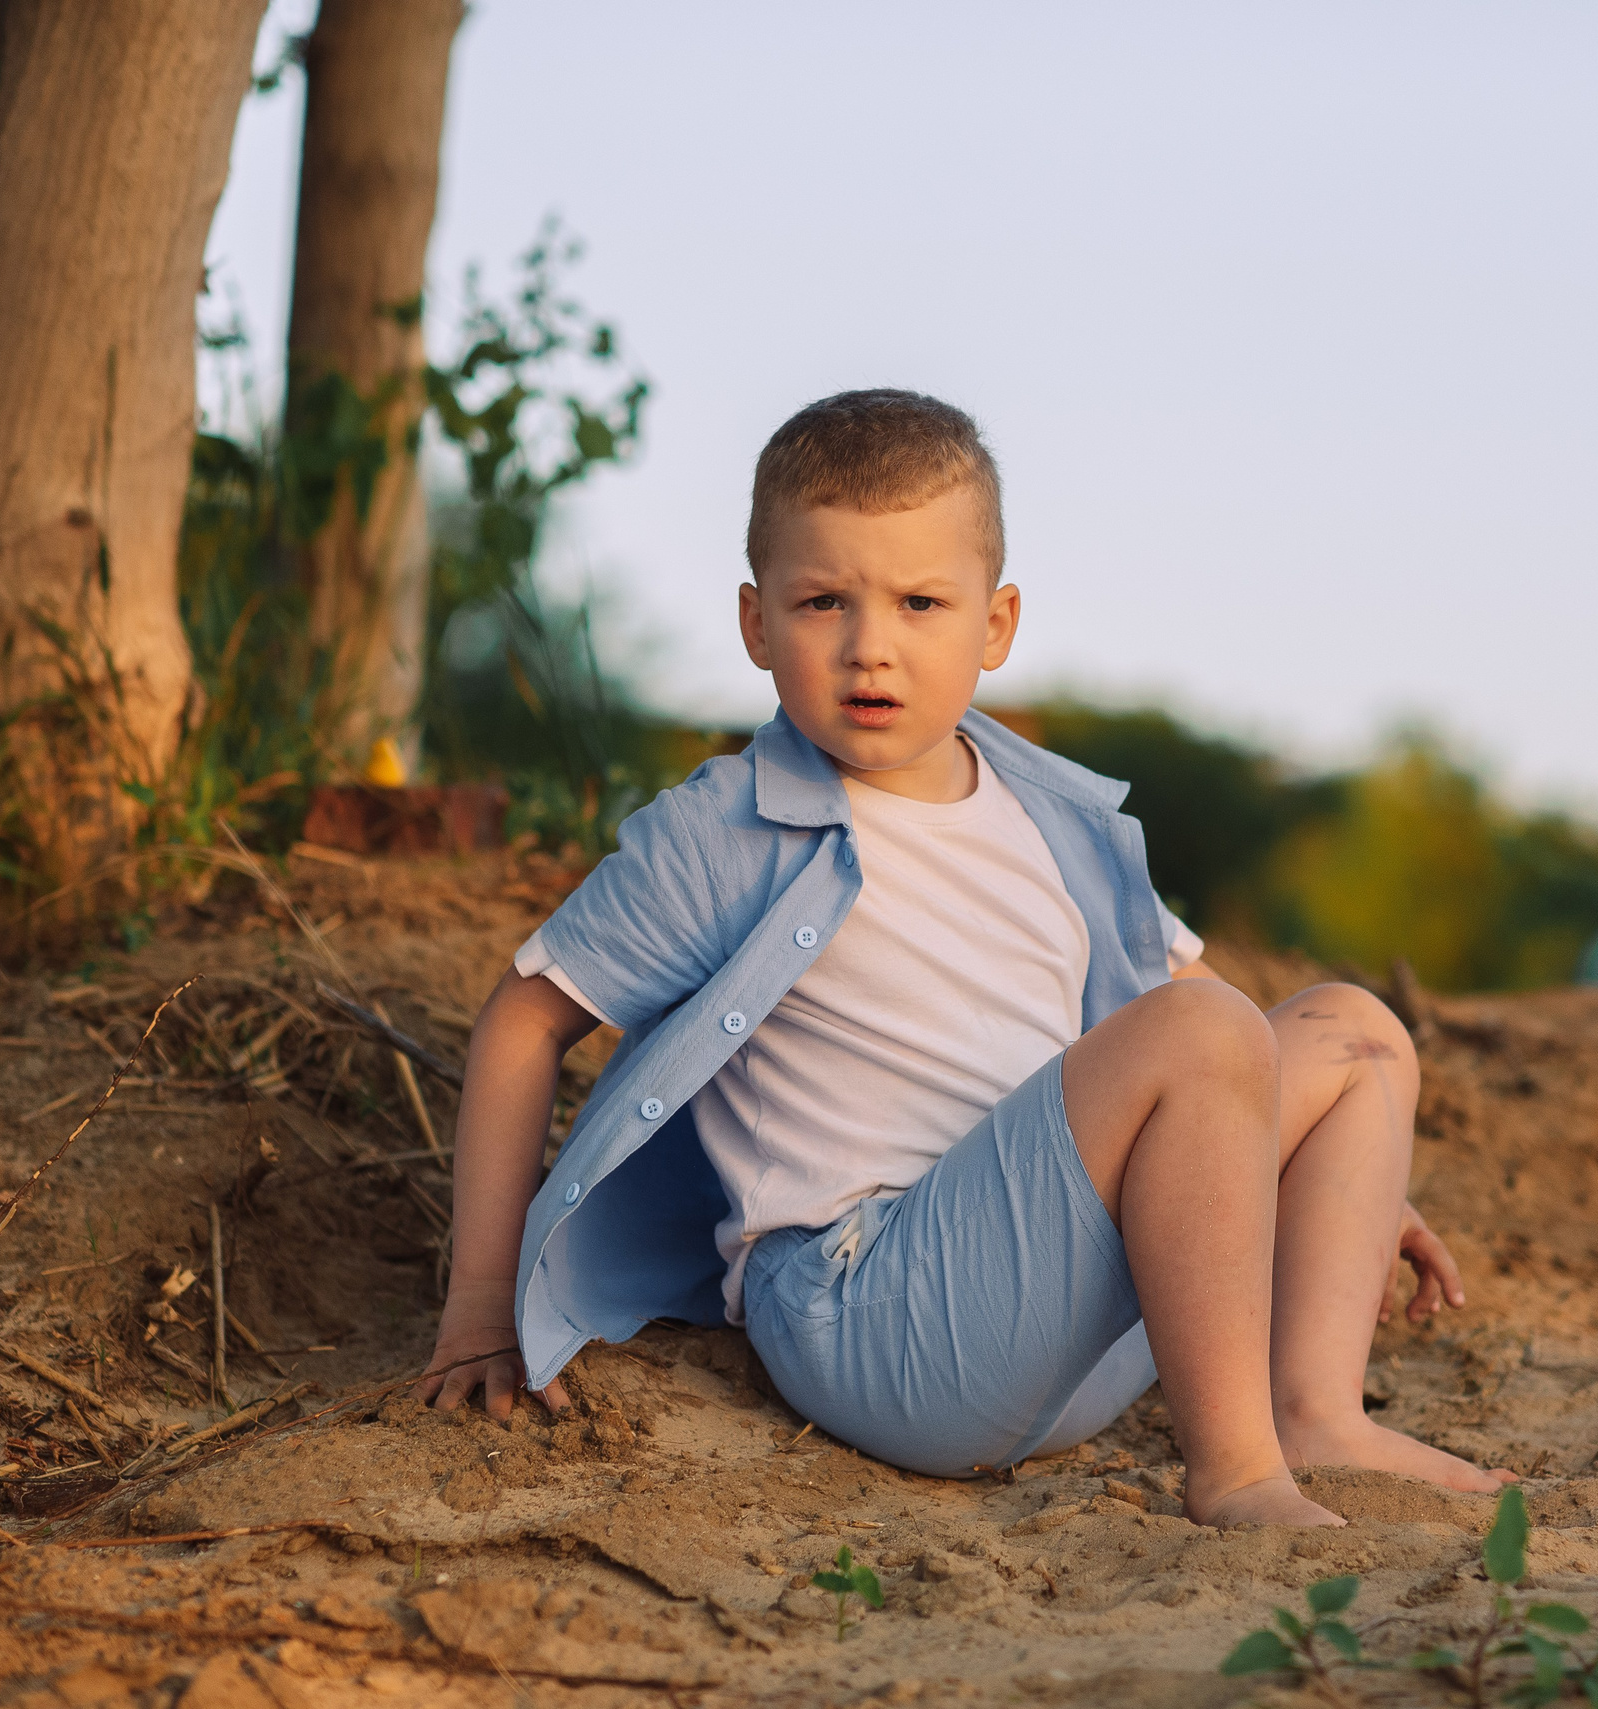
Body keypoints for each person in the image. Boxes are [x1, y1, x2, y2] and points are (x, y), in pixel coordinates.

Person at [421, 389, 1515, 1527]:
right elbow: (522, 1017)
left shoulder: (1052, 814)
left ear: (994, 626)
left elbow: (1219, 1041)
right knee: (1203, 1034)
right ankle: (1237, 1471)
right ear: (755, 623)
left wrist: (1347, 1185)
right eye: (822, 601)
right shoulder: (728, 827)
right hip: (877, 1318)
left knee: (1353, 1030)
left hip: (1066, 1321)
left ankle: (1313, 1410)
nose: (869, 645)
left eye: (919, 601)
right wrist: (481, 1303)